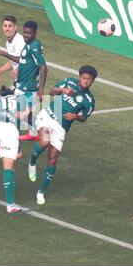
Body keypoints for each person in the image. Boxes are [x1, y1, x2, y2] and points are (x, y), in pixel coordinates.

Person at [28, 65, 97, 205]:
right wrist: (62, 90)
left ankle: (41, 192)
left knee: (52, 160)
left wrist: (76, 116)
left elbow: (84, 117)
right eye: (83, 78)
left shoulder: (89, 100)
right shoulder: (69, 82)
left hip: (61, 127)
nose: (85, 81)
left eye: (88, 80)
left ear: (92, 82)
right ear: (79, 77)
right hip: (48, 116)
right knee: (44, 141)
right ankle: (32, 162)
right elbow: (51, 91)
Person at [0, 20, 48, 141]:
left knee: (12, 110)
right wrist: (4, 54)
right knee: (23, 113)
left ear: (35, 33)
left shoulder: (34, 46)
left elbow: (44, 68)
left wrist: (40, 90)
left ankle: (6, 140)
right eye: (25, 32)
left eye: (29, 33)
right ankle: (35, 133)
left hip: (28, 87)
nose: (26, 35)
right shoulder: (28, 45)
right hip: (21, 85)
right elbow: (21, 59)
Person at [0, 15, 25, 83]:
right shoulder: (8, 42)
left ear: (15, 27)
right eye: (5, 26)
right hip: (19, 82)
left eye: (10, 26)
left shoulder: (20, 42)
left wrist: (18, 69)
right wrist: (0, 70)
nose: (7, 29)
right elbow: (12, 61)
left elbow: (29, 60)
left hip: (27, 82)